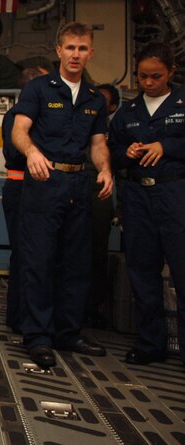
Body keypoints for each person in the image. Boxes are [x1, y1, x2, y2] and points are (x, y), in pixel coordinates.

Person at [11, 21, 113, 369]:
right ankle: (37, 336)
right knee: (39, 261)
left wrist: (105, 169)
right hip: (44, 183)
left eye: (82, 49)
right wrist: (32, 153)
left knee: (76, 263)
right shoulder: (39, 89)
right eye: (70, 48)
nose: (76, 55)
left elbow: (98, 144)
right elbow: (19, 130)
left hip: (78, 185)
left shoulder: (95, 98)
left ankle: (69, 332)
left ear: (90, 53)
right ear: (59, 51)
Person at [108, 42, 184, 366]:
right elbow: (109, 150)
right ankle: (151, 342)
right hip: (138, 196)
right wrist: (124, 153)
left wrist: (165, 145)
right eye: (143, 77)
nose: (149, 83)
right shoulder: (128, 112)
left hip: (174, 194)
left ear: (171, 72)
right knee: (142, 271)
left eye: (156, 76)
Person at [2, 67, 48, 332]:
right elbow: (14, 152)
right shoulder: (16, 117)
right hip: (21, 187)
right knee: (23, 254)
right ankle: (19, 317)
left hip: (31, 187)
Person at [85, 83, 121, 329]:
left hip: (102, 194)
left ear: (112, 107)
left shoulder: (119, 129)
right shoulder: (82, 124)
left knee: (97, 252)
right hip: (78, 190)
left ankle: (95, 307)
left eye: (103, 101)